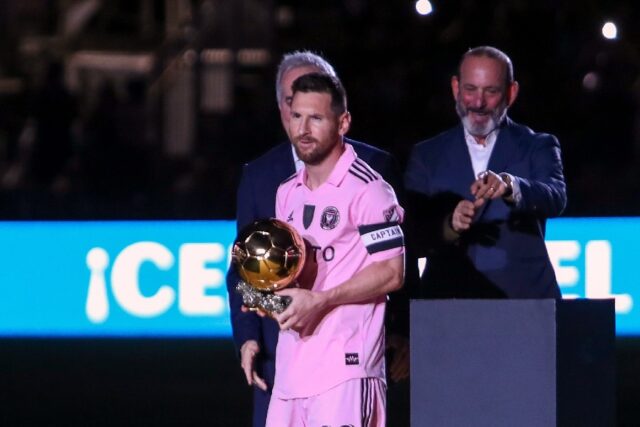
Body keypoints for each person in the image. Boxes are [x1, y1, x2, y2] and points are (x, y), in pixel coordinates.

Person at [226, 51, 409, 427]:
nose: (303, 129)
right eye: (296, 116)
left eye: (316, 118)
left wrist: (322, 301)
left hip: (346, 371)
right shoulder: (286, 193)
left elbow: (393, 273)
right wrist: (261, 296)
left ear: (343, 122)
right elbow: (286, 284)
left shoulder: (369, 190)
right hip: (291, 374)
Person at [404, 45, 567, 299]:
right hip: (447, 306)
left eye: (491, 91)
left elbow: (555, 197)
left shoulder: (538, 145)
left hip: (525, 305)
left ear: (511, 93)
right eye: (470, 90)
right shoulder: (427, 155)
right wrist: (450, 224)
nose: (478, 103)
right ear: (456, 88)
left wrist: (511, 186)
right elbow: (413, 232)